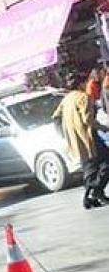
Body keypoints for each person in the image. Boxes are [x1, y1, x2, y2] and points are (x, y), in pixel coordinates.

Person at [53, 73, 109, 209]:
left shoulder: (66, 99)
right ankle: (96, 191)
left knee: (89, 168)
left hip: (76, 141)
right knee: (106, 163)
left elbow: (55, 117)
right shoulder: (83, 97)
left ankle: (89, 197)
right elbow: (87, 120)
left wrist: (65, 134)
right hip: (89, 138)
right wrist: (104, 127)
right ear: (81, 84)